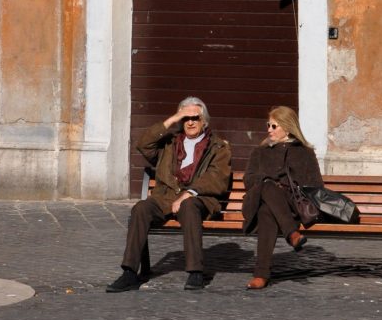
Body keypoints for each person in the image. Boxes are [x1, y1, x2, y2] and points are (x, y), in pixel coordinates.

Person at [106, 96, 231, 293]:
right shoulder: (169, 143)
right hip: (165, 197)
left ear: (204, 121)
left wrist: (188, 193)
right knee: (141, 208)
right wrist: (173, 118)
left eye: (195, 118)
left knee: (189, 207)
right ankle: (129, 272)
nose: (190, 122)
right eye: (185, 118)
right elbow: (143, 144)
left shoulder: (218, 146)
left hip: (198, 199)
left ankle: (195, 272)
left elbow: (217, 177)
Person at [242, 105, 323, 290]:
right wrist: (267, 181)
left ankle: (261, 275)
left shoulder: (305, 153)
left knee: (266, 211)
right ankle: (292, 234)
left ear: (287, 128)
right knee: (267, 192)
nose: (269, 130)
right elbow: (248, 179)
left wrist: (290, 184)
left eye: (274, 126)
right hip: (259, 199)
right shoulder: (260, 151)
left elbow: (316, 184)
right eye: (268, 125)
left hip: (293, 204)